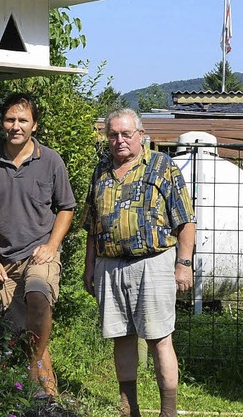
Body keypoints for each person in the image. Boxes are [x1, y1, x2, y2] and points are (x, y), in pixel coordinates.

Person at [83, 108, 196, 417]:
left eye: (126, 134)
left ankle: (168, 412)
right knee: (121, 336)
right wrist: (89, 267)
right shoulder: (101, 170)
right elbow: (92, 226)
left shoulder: (163, 167)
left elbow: (185, 221)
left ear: (141, 136)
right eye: (113, 135)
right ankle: (128, 409)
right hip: (110, 266)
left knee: (160, 338)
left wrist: (183, 264)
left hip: (154, 263)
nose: (119, 140)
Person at [0, 92, 76, 399]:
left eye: (23, 120)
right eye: (10, 119)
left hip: (39, 253)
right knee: (23, 330)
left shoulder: (50, 160)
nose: (16, 126)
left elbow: (66, 207)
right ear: (1, 122)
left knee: (38, 294)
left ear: (34, 125)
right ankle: (47, 393)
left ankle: (32, 373)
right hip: (5, 259)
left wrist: (52, 244)